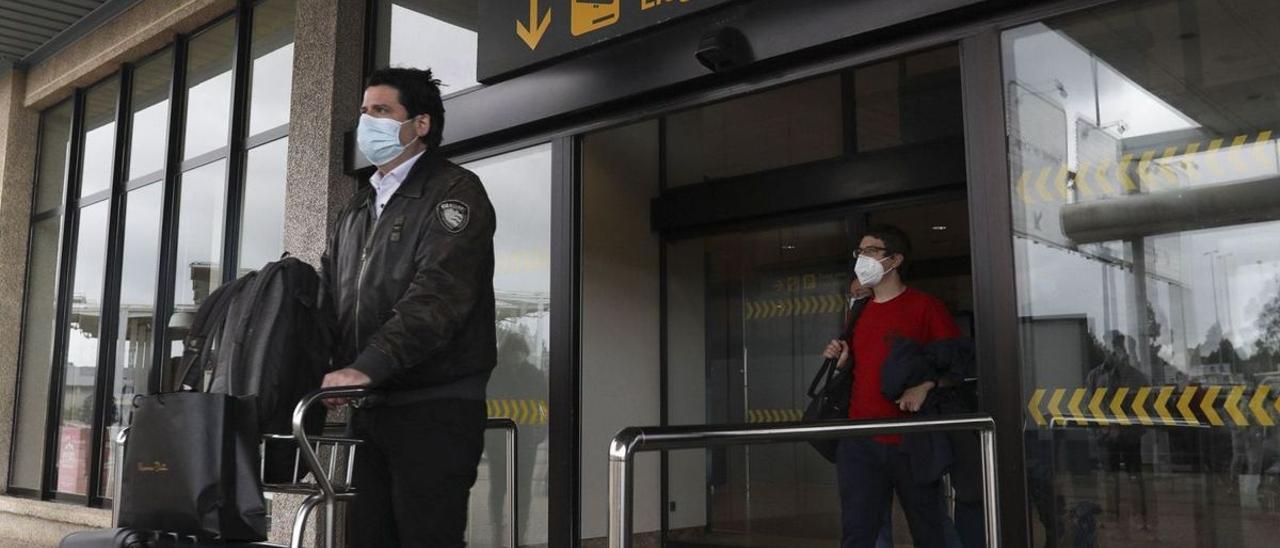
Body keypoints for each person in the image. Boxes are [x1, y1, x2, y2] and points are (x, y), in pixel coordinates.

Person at [318, 67, 497, 548]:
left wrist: (368, 366)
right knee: (366, 538)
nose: (367, 122)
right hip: (369, 406)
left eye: (381, 111)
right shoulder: (356, 209)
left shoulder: (454, 192)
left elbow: (440, 293)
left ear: (420, 125)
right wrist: (332, 368)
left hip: (434, 407)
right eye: (363, 112)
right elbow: (331, 298)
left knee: (426, 537)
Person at [822, 225, 961, 548]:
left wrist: (926, 385)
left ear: (895, 260)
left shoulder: (926, 307)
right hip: (859, 441)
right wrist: (843, 361)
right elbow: (861, 367)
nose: (861, 259)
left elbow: (959, 367)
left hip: (911, 441)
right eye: (858, 253)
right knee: (858, 533)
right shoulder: (859, 311)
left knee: (929, 530)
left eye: (870, 252)